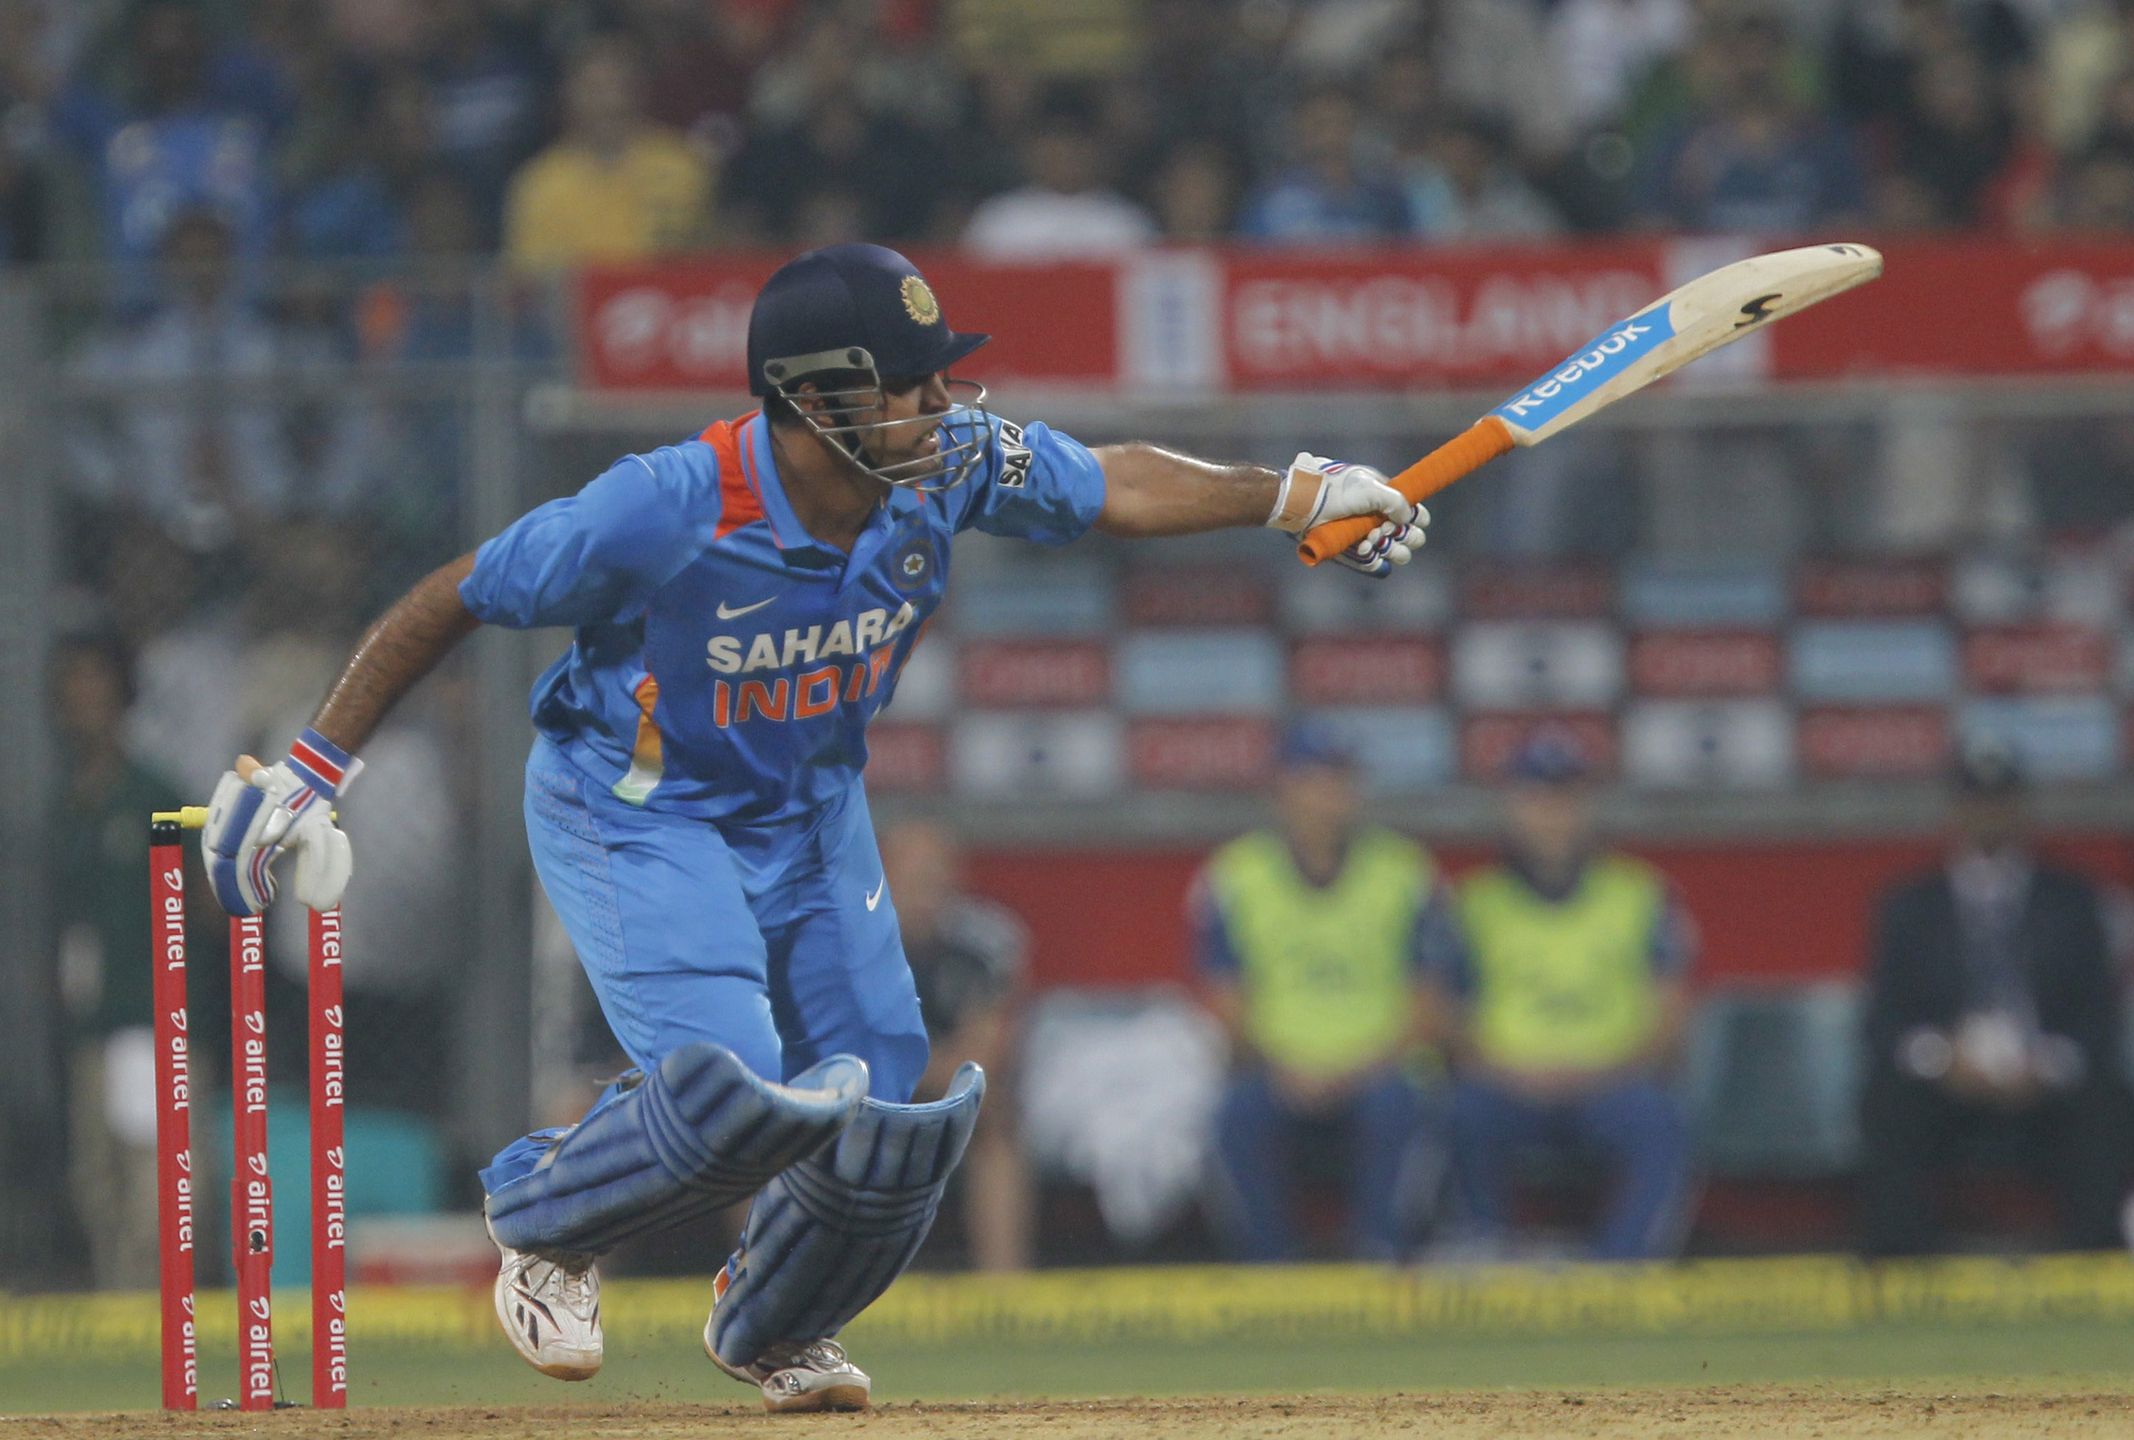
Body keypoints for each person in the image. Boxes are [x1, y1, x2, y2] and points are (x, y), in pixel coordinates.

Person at [195, 242, 1428, 1412]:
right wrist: (314, 768)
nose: (942, 405)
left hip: (808, 810)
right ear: (814, 399)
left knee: (895, 1120)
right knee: (732, 1094)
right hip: (637, 809)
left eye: (944, 375)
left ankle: (776, 1326)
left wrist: (1300, 494)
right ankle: (545, 1229)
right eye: (911, 386)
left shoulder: (947, 467)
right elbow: (453, 595)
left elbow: (1118, 482)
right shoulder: (663, 507)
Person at [1858, 741, 2131, 1257]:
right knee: (1889, 1102)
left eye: (2001, 802)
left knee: (2104, 1101)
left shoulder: (2072, 900)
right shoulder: (1909, 905)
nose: (1989, 815)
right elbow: (1885, 1021)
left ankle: (2093, 1267)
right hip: (1948, 1077)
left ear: (2022, 808)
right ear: (1955, 810)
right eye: (1977, 802)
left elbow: (2098, 1018)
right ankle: (1900, 1274)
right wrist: (1944, 1057)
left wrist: (2044, 1063)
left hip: (2044, 1079)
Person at [1195, 724, 1453, 1262]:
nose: (1326, 798)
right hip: (1277, 1069)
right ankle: (1269, 1268)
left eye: (1339, 781)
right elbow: (1226, 1008)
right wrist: (1284, 1068)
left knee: (1400, 1105)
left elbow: (1429, 1007)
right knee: (1237, 1113)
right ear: (1281, 791)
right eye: (1311, 782)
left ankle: (1382, 1259)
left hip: (1382, 1067)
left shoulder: (1404, 872)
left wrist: (1354, 1071)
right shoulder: (1235, 876)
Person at [1435, 735, 1696, 1261]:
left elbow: (1671, 1015)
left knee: (1660, 1119)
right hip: (1508, 1082)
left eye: (1565, 798)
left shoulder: (1641, 894)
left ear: (1588, 806)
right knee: (1460, 1111)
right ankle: (1486, 1253)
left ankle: (1624, 1267)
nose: (1551, 815)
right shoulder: (1474, 902)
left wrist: (1608, 1069)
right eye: (1536, 799)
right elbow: (1445, 1015)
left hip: (1611, 1082)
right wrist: (1502, 1069)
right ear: (1511, 807)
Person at [877, 817, 1034, 1272]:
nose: (927, 893)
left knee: (996, 1122)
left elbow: (984, 1056)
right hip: (860, 1097)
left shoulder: (986, 942)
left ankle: (1004, 1294)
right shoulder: (843, 944)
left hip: (950, 1101)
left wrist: (915, 1070)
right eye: (912, 880)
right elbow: (842, 1052)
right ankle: (794, 1305)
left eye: (937, 879)